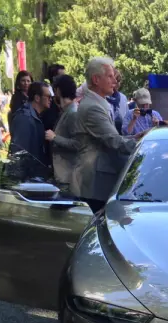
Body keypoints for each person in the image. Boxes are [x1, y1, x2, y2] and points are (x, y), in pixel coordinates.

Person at [73, 57, 138, 213]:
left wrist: (135, 138)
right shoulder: (93, 107)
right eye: (110, 76)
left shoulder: (96, 103)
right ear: (96, 79)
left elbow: (112, 138)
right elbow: (114, 142)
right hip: (95, 184)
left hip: (95, 182)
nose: (114, 80)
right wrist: (147, 146)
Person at [47, 74, 80, 190]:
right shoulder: (67, 111)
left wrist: (55, 138)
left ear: (58, 91)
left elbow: (78, 144)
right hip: (63, 176)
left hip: (68, 178)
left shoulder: (73, 113)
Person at [9, 81, 51, 168]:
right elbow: (19, 152)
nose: (50, 99)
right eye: (48, 96)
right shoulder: (24, 117)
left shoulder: (35, 115)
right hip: (27, 176)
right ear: (37, 98)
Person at [107, 67, 129, 134]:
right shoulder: (102, 98)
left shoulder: (123, 98)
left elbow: (126, 120)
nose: (117, 84)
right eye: (116, 80)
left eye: (119, 81)